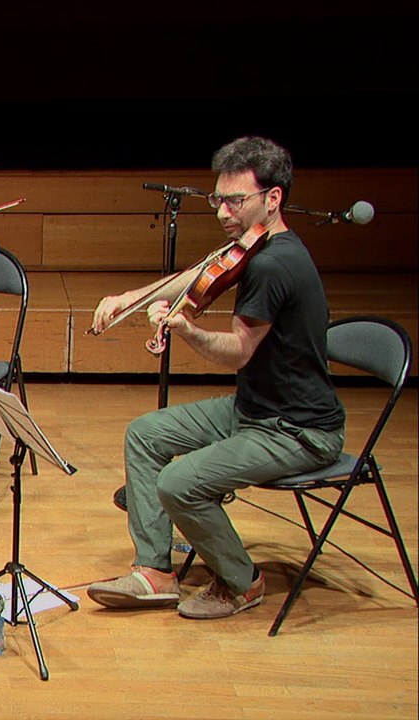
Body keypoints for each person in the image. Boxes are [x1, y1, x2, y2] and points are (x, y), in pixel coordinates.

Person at [87, 136, 345, 619]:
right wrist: (131, 297)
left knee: (179, 482)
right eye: (218, 199)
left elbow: (239, 354)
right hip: (256, 410)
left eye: (235, 200)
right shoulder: (255, 246)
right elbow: (201, 272)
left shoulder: (274, 264)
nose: (223, 211)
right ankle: (156, 573)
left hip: (298, 429)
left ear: (273, 198)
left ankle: (242, 583)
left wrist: (186, 329)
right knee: (146, 435)